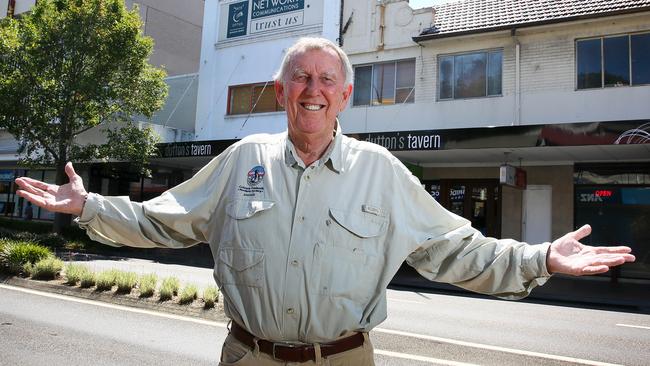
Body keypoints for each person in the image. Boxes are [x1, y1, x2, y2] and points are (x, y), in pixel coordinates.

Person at [15, 37, 635, 366]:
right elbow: (161, 223)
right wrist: (89, 206)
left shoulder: (382, 172)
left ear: (345, 96)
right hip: (247, 357)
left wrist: (541, 260)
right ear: (283, 92)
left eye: (326, 80)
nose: (313, 90)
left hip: (344, 362)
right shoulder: (241, 161)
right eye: (301, 79)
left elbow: (457, 252)